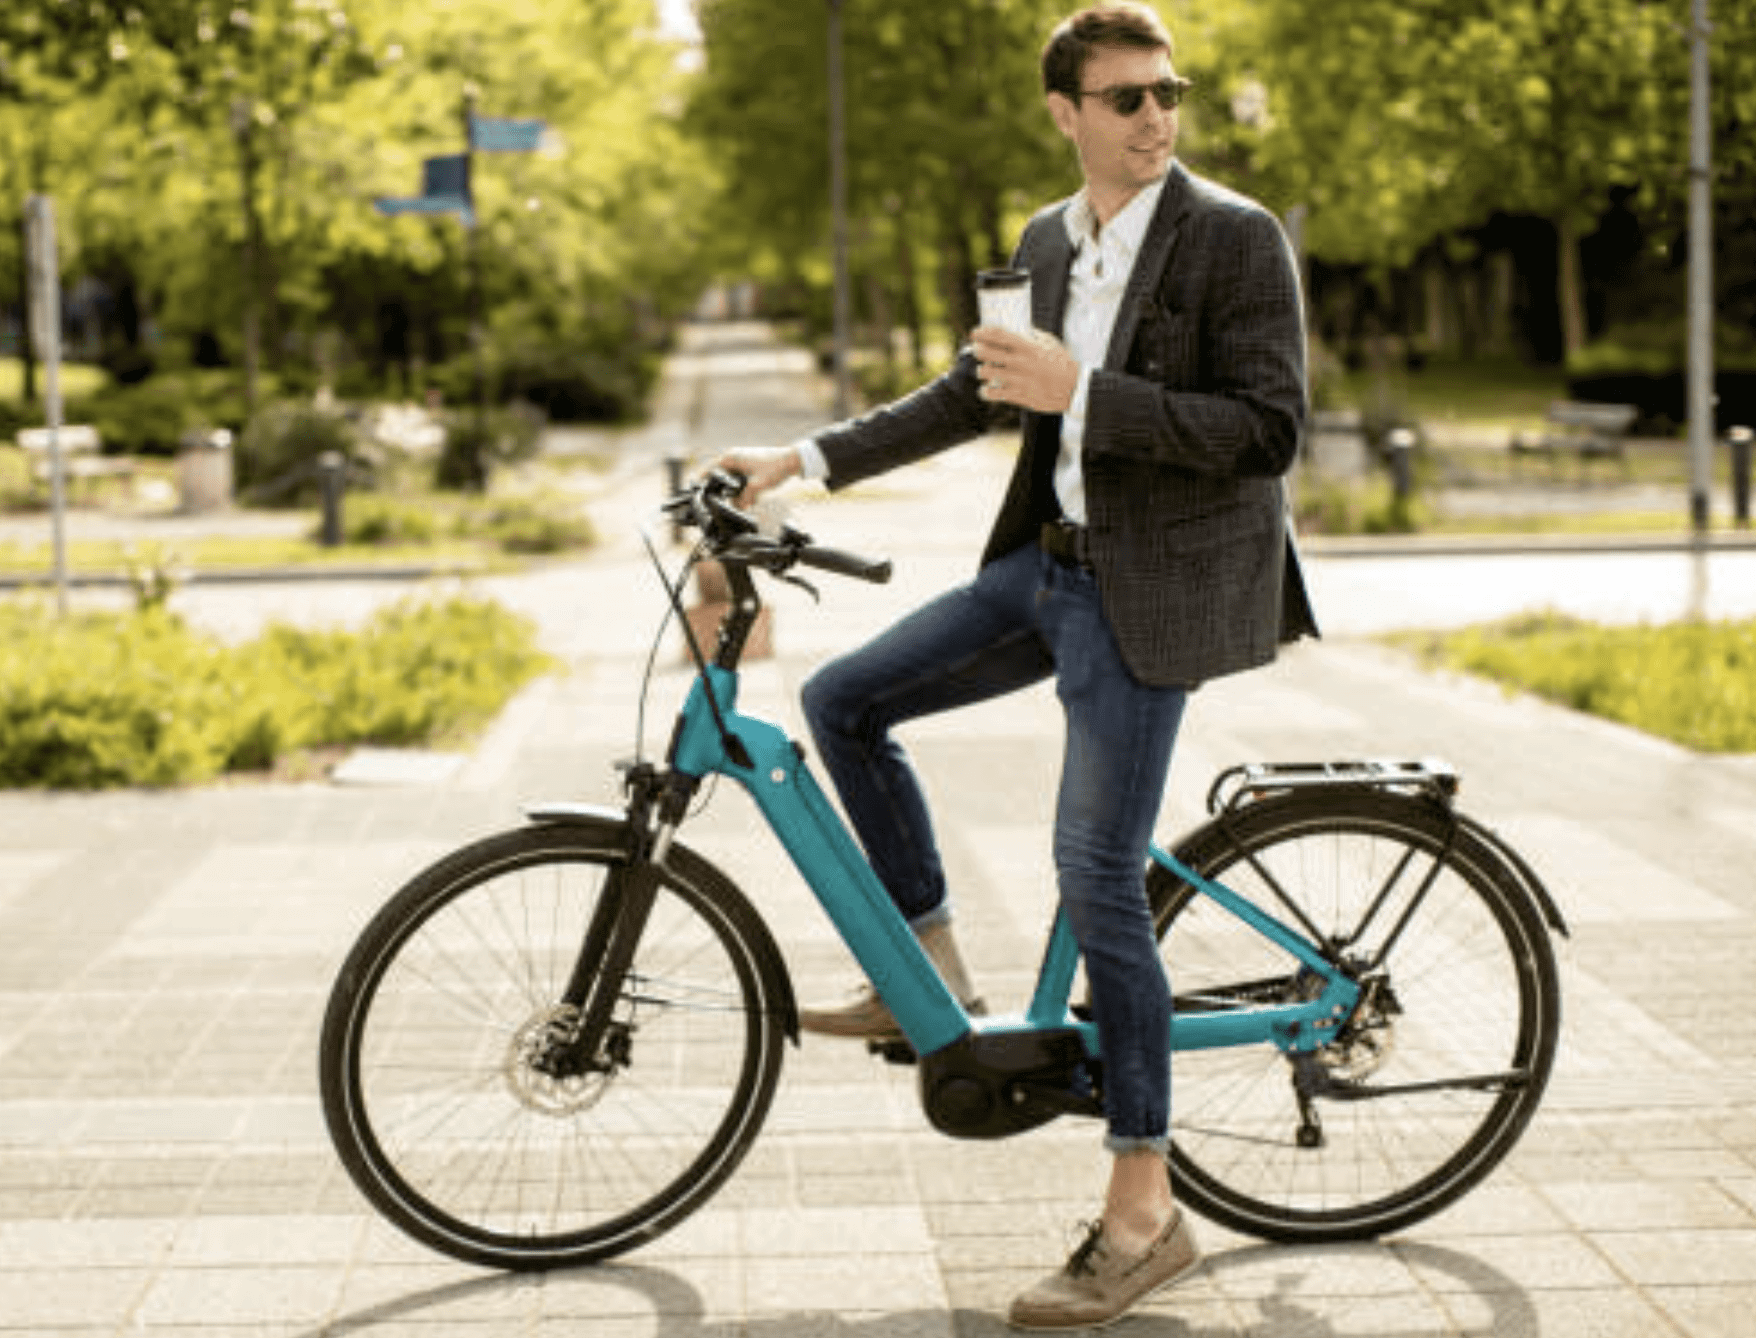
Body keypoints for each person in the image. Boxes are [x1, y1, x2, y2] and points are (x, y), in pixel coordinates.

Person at [720, 2, 1317, 1328]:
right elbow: (970, 392)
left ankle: (1145, 1212)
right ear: (1066, 114)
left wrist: (1086, 395)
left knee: (1093, 872)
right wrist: (798, 460)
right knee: (842, 697)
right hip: (1048, 568)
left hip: (1151, 591)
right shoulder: (1049, 239)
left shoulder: (1235, 237)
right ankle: (925, 960)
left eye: (1168, 92)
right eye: (1125, 99)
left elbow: (1271, 429)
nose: (1156, 117)